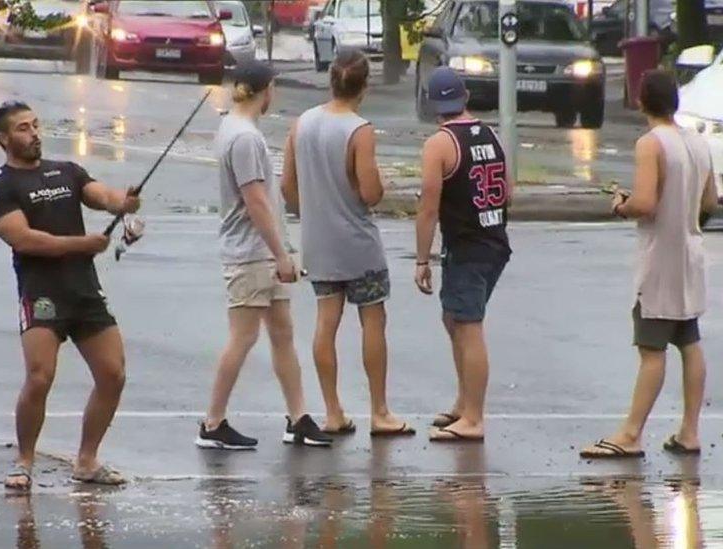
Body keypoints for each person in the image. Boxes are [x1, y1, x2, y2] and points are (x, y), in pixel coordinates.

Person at [0, 101, 140, 488]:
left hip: (83, 289)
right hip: (41, 292)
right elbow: (23, 239)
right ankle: (24, 461)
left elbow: (100, 194)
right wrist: (83, 244)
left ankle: (87, 460)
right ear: (4, 138)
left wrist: (125, 202)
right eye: (23, 128)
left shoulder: (65, 171)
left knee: (113, 373)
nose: (34, 133)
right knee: (40, 377)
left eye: (36, 125)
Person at [581, 70, 717, 459]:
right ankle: (689, 431)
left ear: (642, 102)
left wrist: (621, 205)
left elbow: (644, 203)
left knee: (651, 348)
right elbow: (709, 202)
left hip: (660, 258)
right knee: (688, 341)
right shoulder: (697, 142)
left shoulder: (651, 144)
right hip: (690, 254)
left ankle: (630, 433)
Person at [197, 61, 332, 450]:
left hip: (262, 252)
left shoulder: (237, 129)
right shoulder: (244, 138)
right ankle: (212, 423)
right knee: (243, 337)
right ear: (265, 90)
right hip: (251, 252)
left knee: (282, 333)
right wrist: (282, 255)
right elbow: (255, 200)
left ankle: (298, 418)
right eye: (274, 87)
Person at [283, 50, 412, 437]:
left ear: (330, 81)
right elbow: (370, 192)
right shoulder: (360, 130)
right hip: (357, 242)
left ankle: (333, 410)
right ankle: (380, 411)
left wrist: (313, 209)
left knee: (326, 322)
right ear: (364, 87)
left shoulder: (301, 124)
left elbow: (288, 186)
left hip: (318, 241)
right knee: (373, 319)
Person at [414, 67, 511, 442]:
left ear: (433, 104)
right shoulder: (491, 136)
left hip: (468, 244)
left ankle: (473, 417)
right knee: (453, 317)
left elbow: (428, 208)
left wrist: (423, 259)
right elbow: (508, 191)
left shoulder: (439, 144)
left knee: (469, 327)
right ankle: (463, 402)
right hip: (493, 240)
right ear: (465, 97)